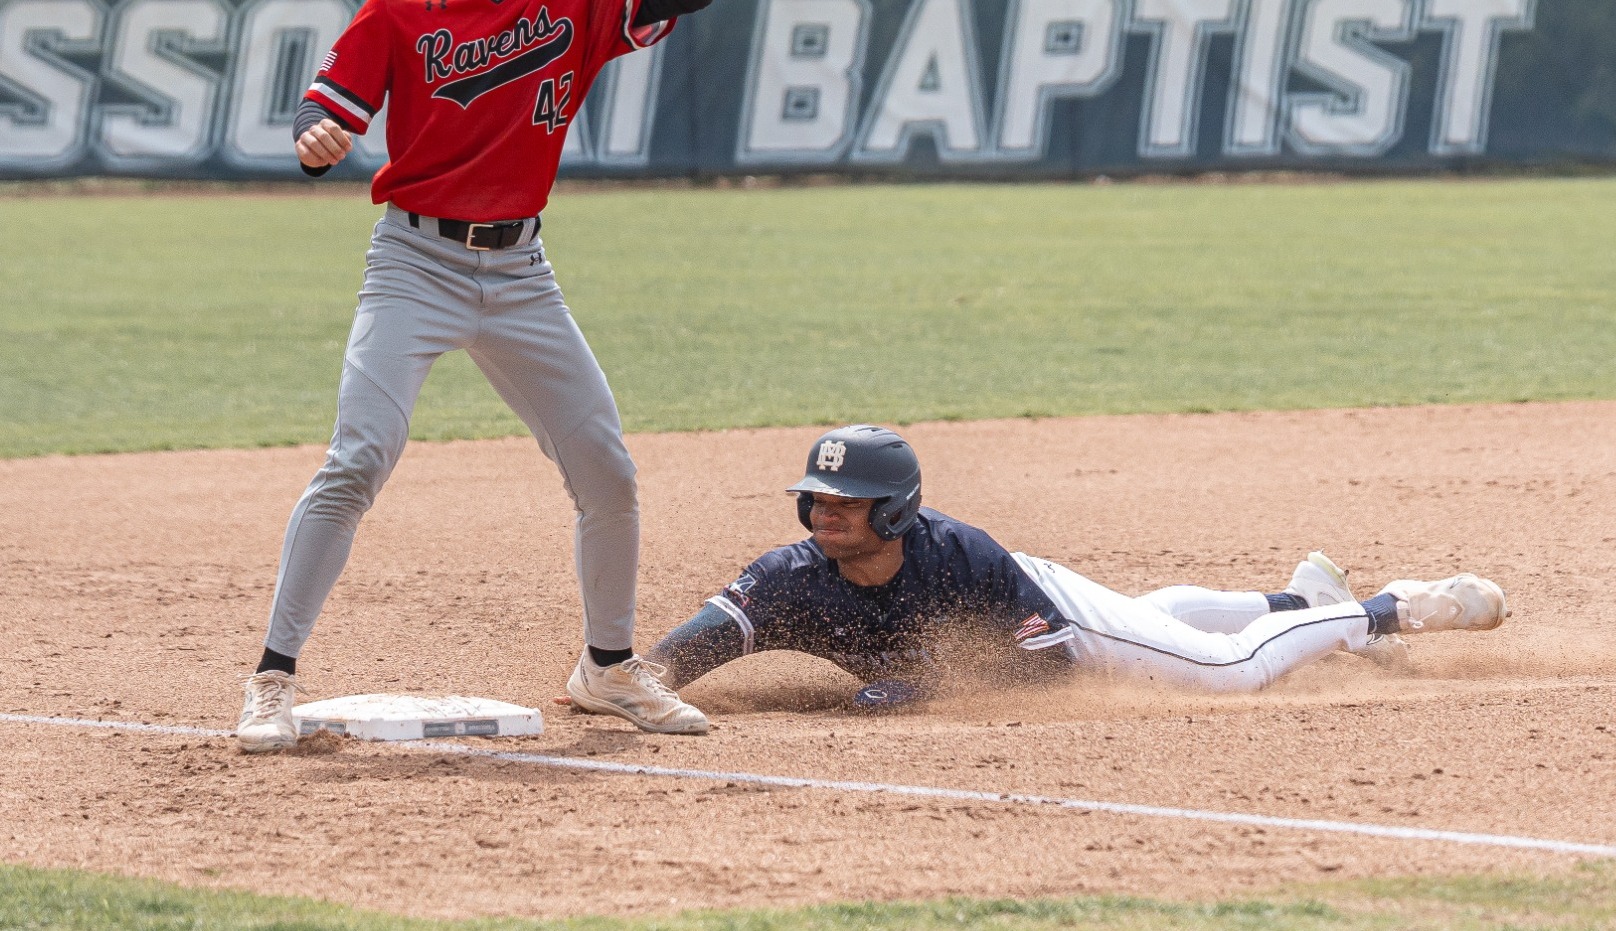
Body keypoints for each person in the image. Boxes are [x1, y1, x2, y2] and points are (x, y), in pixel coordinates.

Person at [235, 0, 718, 752]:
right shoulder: (397, 11)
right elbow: (323, 108)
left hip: (523, 273)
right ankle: (272, 678)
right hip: (414, 265)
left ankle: (608, 668)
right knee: (358, 457)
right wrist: (316, 134)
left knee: (605, 467)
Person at [640, 425, 1509, 708]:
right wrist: (637, 680)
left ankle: (1383, 608)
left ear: (895, 511)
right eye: (818, 498)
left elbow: (1048, 667)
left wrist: (912, 690)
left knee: (1227, 671)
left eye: (848, 500)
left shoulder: (960, 560)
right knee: (1153, 622)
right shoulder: (790, 575)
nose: (825, 511)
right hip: (1037, 601)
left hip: (1055, 619)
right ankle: (1298, 598)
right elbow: (705, 640)